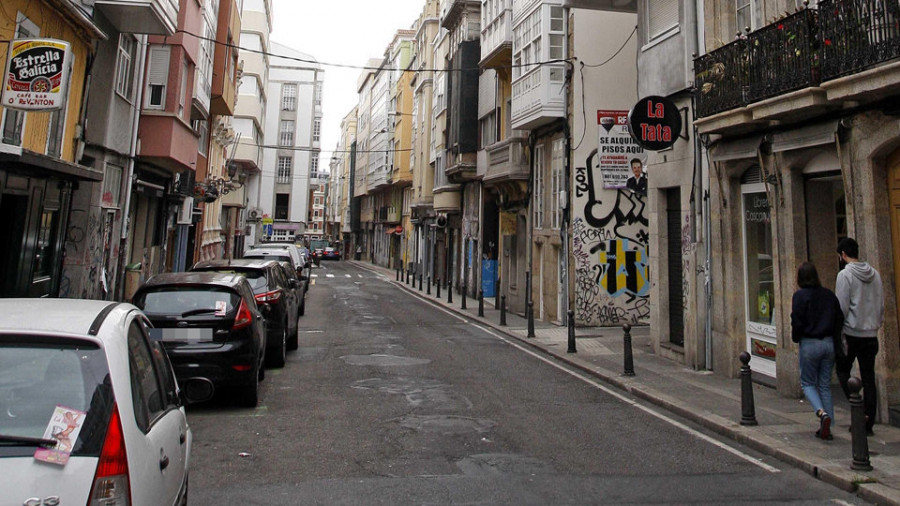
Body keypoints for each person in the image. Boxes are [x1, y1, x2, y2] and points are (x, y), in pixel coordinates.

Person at [834, 237, 884, 435]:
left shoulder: (845, 275)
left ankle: (858, 409)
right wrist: (875, 324)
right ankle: (869, 422)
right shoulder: (875, 274)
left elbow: (842, 306)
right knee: (869, 377)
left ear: (843, 255)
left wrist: (840, 330)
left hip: (852, 333)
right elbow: (880, 304)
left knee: (843, 370)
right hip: (870, 333)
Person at [791, 262, 844, 440]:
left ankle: (822, 414)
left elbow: (797, 321)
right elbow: (839, 318)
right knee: (824, 385)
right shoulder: (828, 295)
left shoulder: (800, 296)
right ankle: (828, 426)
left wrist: (796, 337)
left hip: (810, 343)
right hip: (828, 343)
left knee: (807, 383)